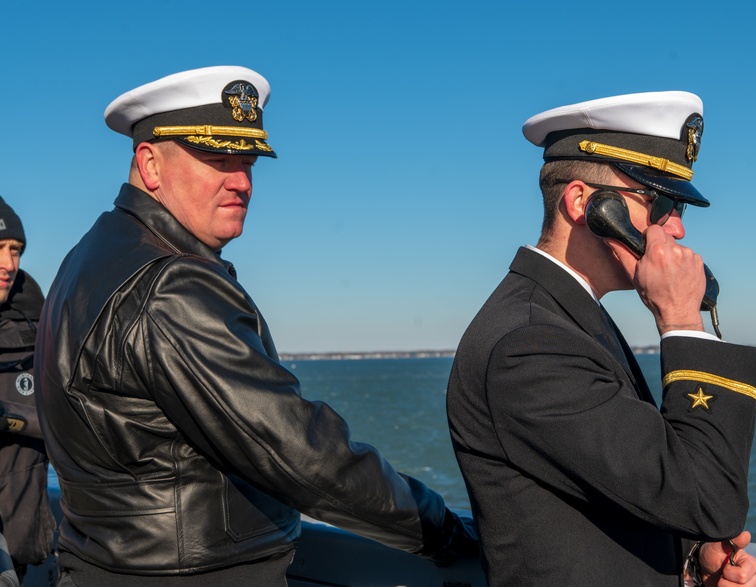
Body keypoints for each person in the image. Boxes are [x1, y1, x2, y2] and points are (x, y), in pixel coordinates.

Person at [34, 66, 476, 586]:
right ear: (149, 164)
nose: (242, 182)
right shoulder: (173, 286)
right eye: (218, 160)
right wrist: (440, 527)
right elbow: (296, 449)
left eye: (247, 163)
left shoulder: (85, 260)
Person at [447, 92, 756, 586]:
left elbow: (619, 478)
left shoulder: (564, 317)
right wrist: (681, 319)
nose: (676, 228)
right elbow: (708, 499)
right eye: (659, 203)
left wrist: (685, 560)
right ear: (585, 204)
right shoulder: (530, 345)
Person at [0, 197, 55, 586]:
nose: (8, 264)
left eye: (14, 250)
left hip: (18, 544)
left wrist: (9, 417)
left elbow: (67, 417)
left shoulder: (40, 327)